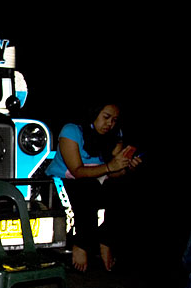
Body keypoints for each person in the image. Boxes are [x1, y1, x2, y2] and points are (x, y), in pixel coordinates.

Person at [45, 103, 142, 272]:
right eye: (106, 117)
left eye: (114, 120)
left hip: (97, 179)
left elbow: (115, 174)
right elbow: (77, 171)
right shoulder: (72, 131)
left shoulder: (114, 135)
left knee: (126, 188)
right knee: (87, 188)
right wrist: (110, 167)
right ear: (94, 114)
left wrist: (127, 166)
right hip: (64, 181)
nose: (109, 124)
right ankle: (82, 243)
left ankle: (106, 241)